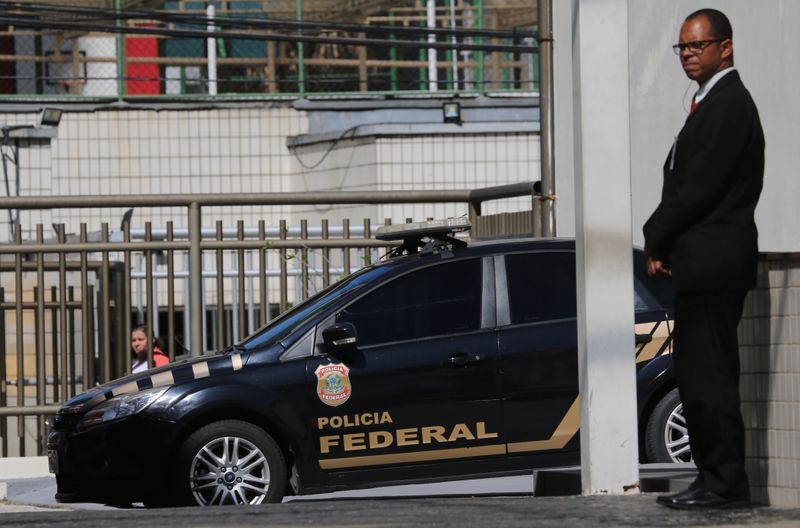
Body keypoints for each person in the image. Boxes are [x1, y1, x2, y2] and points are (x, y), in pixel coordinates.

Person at [643, 8, 764, 510]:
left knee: (709, 378)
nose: (688, 55)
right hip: (701, 264)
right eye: (683, 48)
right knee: (696, 378)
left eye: (698, 45)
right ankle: (711, 477)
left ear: (725, 47)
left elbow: (696, 189)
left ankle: (723, 484)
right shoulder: (706, 102)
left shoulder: (730, 104)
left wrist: (655, 237)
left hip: (715, 264)